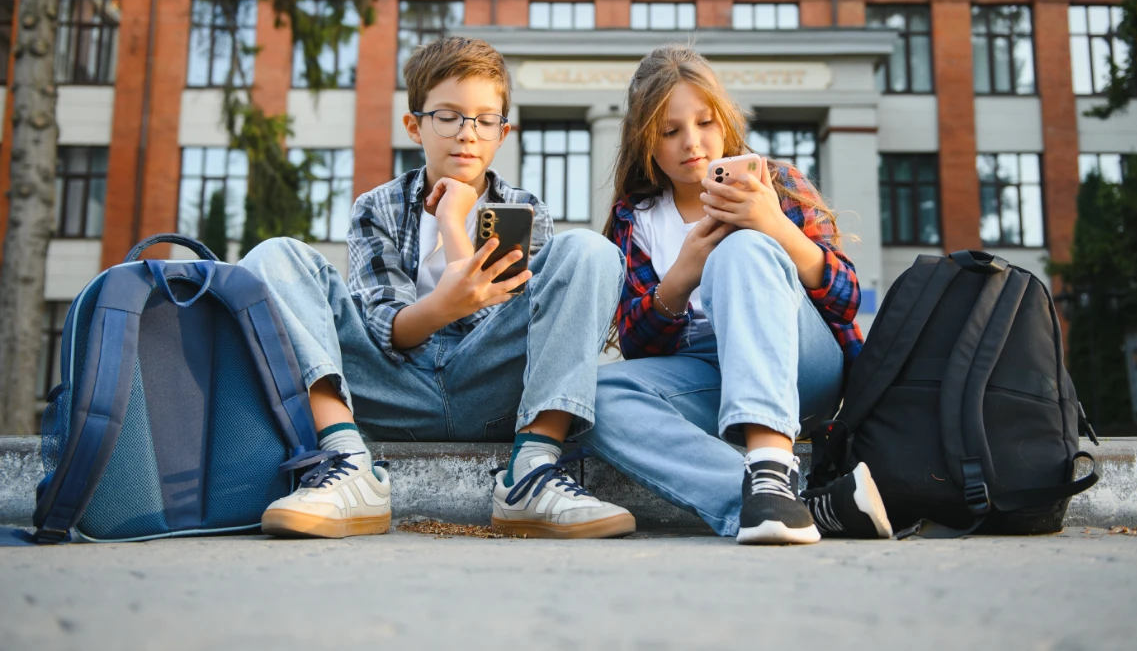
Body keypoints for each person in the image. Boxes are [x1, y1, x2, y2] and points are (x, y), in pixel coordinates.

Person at [240, 36, 634, 540]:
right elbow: (388, 330)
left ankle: (532, 471)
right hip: (394, 387)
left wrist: (453, 222)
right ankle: (347, 463)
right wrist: (443, 304)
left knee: (591, 251)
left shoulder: (523, 211)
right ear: (414, 125)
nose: (467, 134)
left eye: (484, 119)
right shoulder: (377, 207)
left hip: (492, 388)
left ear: (502, 132)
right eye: (447, 116)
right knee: (273, 255)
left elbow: (512, 332)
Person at [577, 45, 892, 544]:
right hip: (705, 374)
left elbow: (847, 299)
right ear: (646, 143)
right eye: (670, 131)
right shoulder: (634, 218)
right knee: (591, 398)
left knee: (740, 249)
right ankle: (795, 503)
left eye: (704, 122)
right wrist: (681, 275)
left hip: (799, 366)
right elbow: (640, 348)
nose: (692, 143)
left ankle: (770, 461)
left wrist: (773, 228)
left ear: (724, 120)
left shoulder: (776, 184)